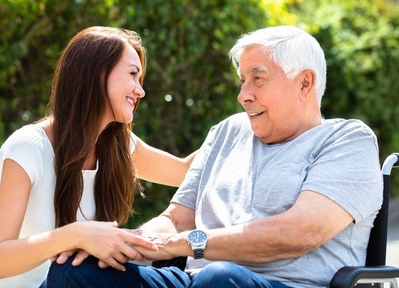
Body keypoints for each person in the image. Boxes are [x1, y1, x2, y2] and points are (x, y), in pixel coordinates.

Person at [46, 25, 383, 288]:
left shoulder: (347, 140)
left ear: (305, 84)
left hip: (280, 283)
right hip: (196, 280)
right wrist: (130, 244)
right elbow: (177, 219)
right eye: (241, 81)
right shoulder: (228, 131)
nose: (243, 95)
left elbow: (300, 232)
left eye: (257, 79)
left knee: (220, 279)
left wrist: (184, 244)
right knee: (71, 272)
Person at [0, 26, 195, 288]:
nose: (140, 90)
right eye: (133, 75)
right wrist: (75, 235)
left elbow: (186, 171)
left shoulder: (119, 146)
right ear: (96, 74)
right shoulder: (29, 147)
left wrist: (241, 120)